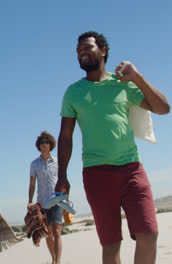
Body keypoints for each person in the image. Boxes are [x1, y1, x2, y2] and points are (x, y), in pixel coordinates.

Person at [56, 31, 170, 264]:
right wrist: (62, 177)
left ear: (103, 50)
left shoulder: (123, 84)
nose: (81, 53)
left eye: (87, 48)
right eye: (78, 51)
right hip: (96, 174)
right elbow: (65, 137)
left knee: (149, 233)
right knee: (110, 244)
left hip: (131, 169)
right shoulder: (73, 92)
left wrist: (137, 77)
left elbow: (163, 108)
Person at [28, 131, 62, 264]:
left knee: (58, 232)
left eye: (46, 142)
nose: (44, 145)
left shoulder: (58, 162)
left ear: (51, 145)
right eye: (41, 143)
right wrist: (30, 202)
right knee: (48, 234)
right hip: (42, 203)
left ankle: (57, 261)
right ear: (38, 145)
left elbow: (62, 180)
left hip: (57, 200)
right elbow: (32, 184)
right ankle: (53, 258)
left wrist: (66, 197)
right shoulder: (34, 164)